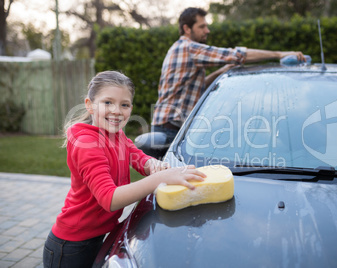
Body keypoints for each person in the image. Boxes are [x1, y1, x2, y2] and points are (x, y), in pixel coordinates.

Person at [42, 71, 206, 267]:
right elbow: (110, 199)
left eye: (124, 105)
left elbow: (140, 159)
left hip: (98, 236)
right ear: (90, 105)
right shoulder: (86, 143)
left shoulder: (117, 135)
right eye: (108, 102)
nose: (117, 111)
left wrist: (155, 166)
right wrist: (160, 178)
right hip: (71, 246)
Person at [151, 7, 306, 142]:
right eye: (202, 26)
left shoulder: (179, 48)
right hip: (169, 130)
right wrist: (279, 54)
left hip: (168, 127)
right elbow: (236, 54)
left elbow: (196, 87)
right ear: (187, 28)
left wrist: (221, 71)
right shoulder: (189, 48)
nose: (207, 30)